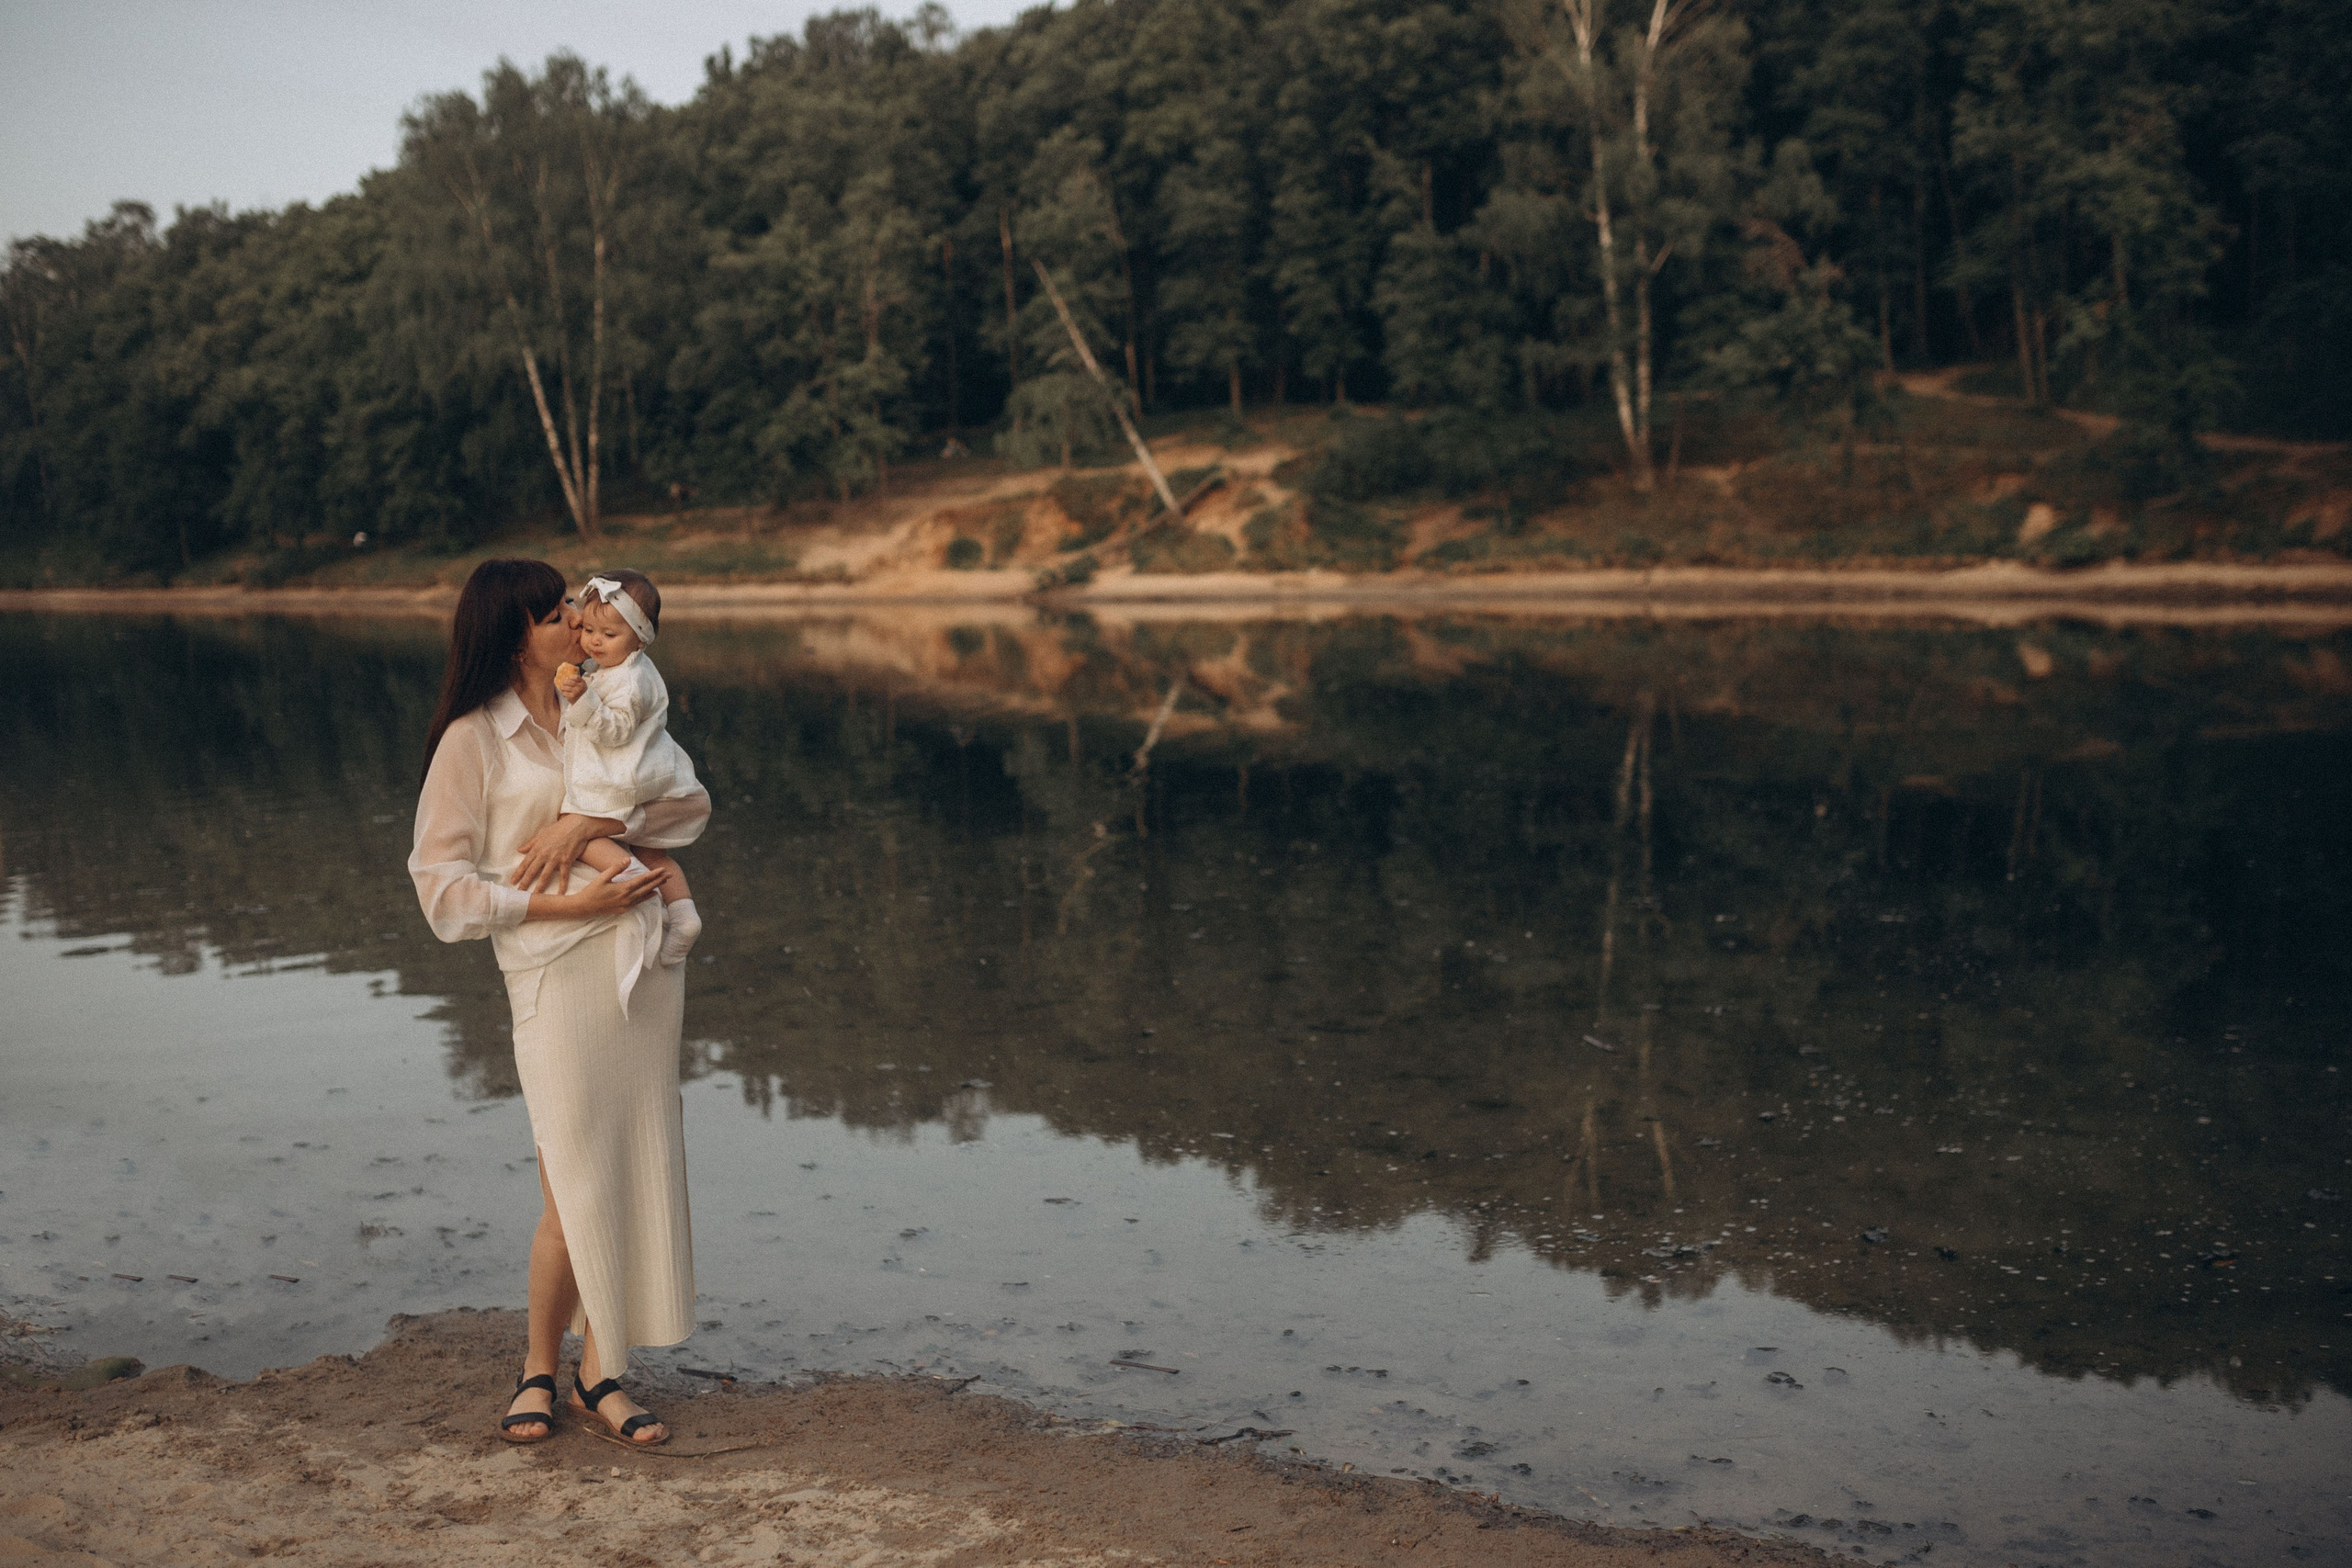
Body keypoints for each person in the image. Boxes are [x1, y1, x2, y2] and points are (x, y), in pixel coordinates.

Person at [407, 558, 709, 1447]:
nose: (575, 625)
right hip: (553, 971)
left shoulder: (606, 706)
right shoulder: (474, 739)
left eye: (576, 612)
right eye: (555, 616)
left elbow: (688, 808)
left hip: (642, 971)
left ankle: (600, 1369)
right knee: (571, 1178)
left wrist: (591, 825)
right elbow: (441, 890)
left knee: (626, 1167)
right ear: (514, 638)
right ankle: (538, 1367)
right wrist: (559, 902)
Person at [554, 570, 703, 967]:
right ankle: (685, 917)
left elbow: (617, 730)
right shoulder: (620, 670)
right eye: (588, 629)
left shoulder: (631, 681)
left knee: (578, 832)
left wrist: (582, 701)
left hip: (627, 781)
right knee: (655, 855)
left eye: (609, 634)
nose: (594, 641)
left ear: (639, 638)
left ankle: (637, 882)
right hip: (650, 779)